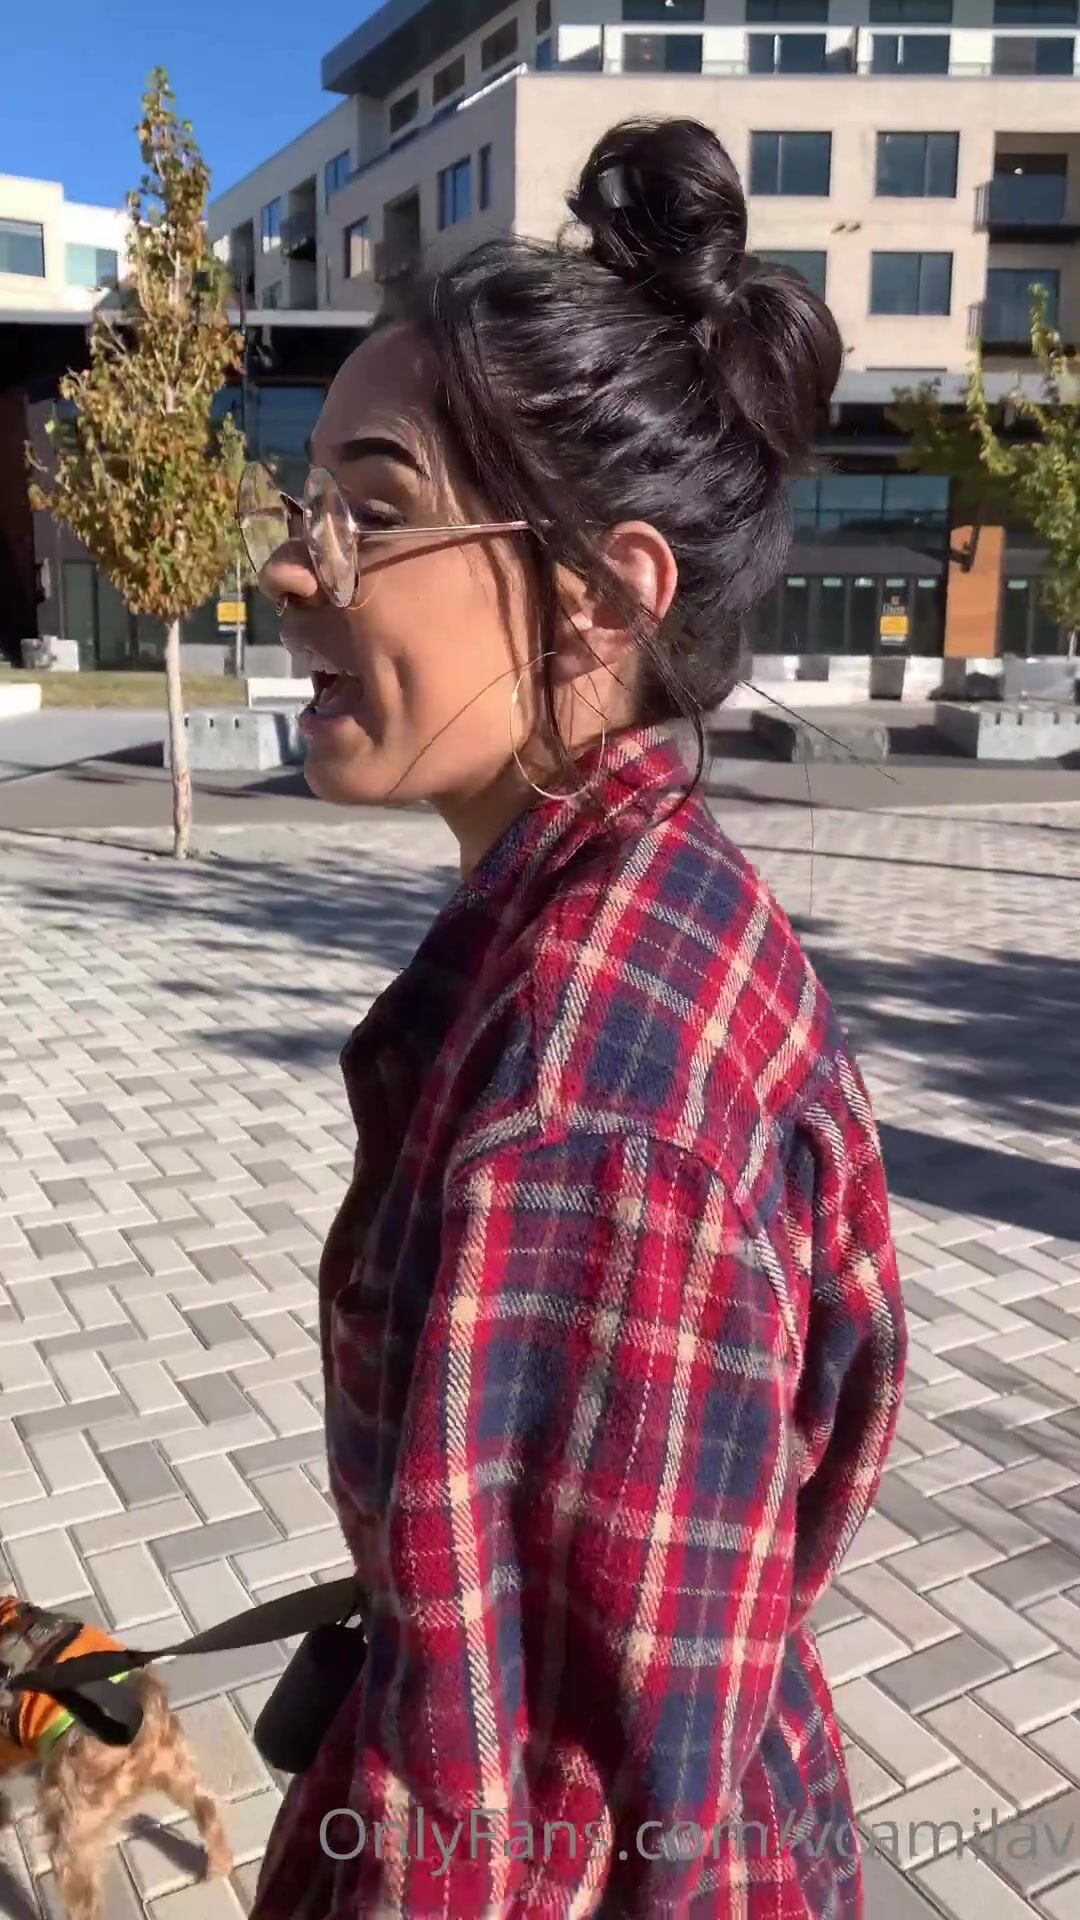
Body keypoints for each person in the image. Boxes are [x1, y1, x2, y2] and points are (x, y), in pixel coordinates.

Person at [245, 117, 906, 1919]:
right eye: (306, 508)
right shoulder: (651, 902)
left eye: (375, 511)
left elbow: (516, 1831)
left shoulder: (588, 1101)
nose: (296, 569)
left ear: (608, 596)